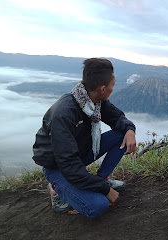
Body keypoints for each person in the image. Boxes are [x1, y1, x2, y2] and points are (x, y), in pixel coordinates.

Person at [32, 58, 136, 218]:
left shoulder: (94, 101)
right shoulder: (64, 114)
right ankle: (56, 189)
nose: (113, 89)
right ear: (103, 88)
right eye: (113, 85)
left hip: (81, 152)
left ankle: (102, 179)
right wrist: (105, 190)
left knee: (120, 135)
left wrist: (130, 130)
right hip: (58, 167)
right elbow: (69, 166)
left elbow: (117, 118)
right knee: (98, 206)